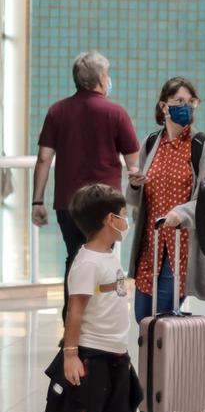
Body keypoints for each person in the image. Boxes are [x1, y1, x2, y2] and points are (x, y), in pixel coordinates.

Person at [32, 50, 140, 320]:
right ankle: (99, 318)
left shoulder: (57, 111)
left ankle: (72, 319)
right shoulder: (116, 113)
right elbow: (133, 164)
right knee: (103, 257)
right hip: (107, 206)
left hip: (69, 204)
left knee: (75, 257)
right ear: (102, 79)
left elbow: (44, 158)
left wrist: (37, 201)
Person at [61, 184, 145, 412]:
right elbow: (75, 312)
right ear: (110, 220)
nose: (126, 221)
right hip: (91, 356)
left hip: (117, 354)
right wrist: (71, 355)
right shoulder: (85, 263)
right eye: (123, 216)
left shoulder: (110, 254)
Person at [126, 77, 205, 323]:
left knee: (162, 322)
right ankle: (152, 363)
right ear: (163, 107)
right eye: (179, 101)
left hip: (181, 247)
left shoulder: (203, 146)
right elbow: (139, 199)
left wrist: (182, 213)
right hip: (150, 244)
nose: (186, 106)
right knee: (143, 319)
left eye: (191, 101)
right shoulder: (151, 143)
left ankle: (164, 363)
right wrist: (135, 185)